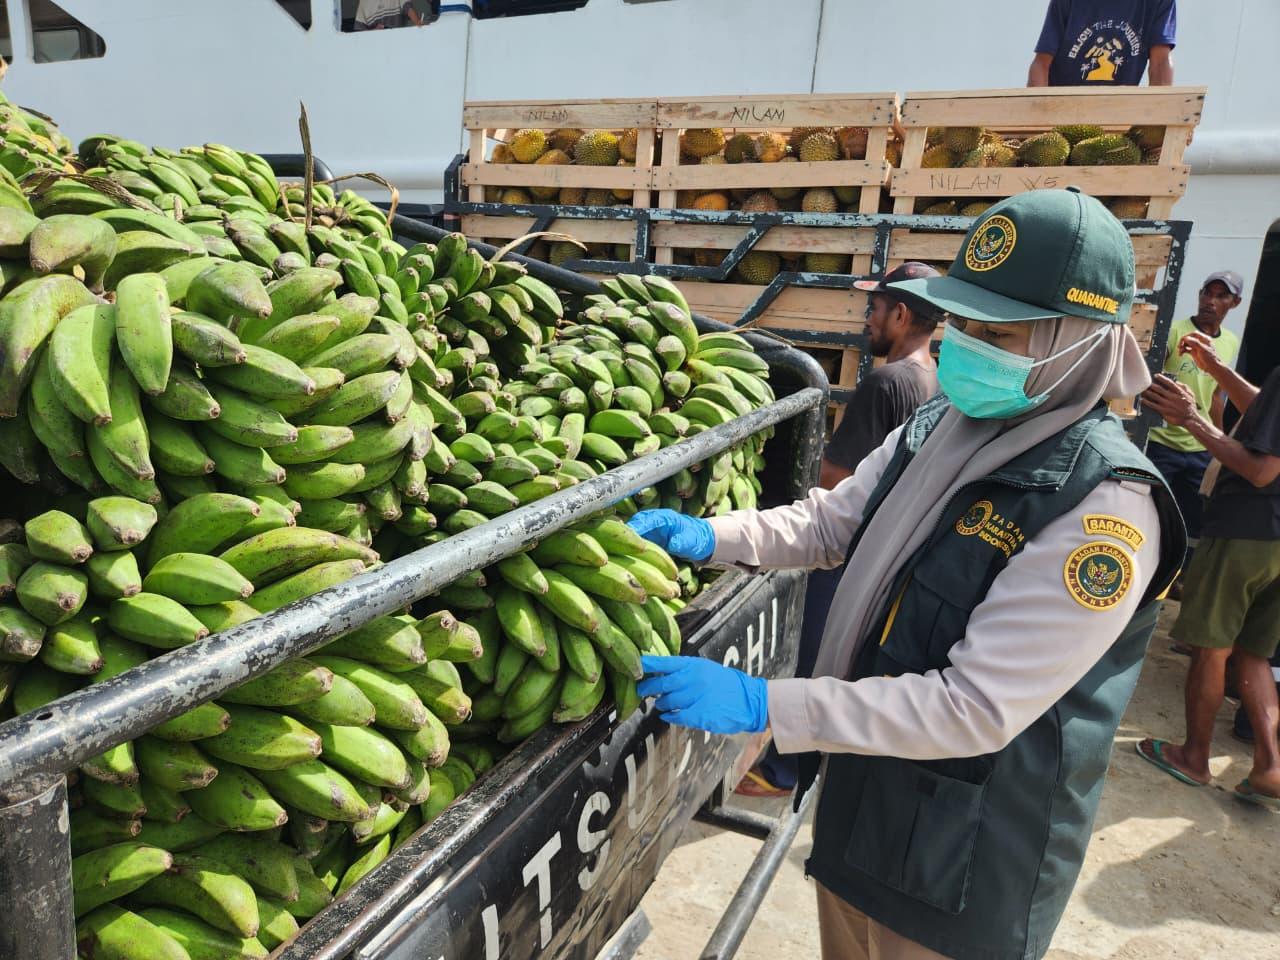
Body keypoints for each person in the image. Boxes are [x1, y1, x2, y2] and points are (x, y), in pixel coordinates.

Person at [628, 189, 1185, 960]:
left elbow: (971, 708)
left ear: (1078, 342)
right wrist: (706, 536)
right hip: (864, 809)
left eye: (1000, 333)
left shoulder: (1104, 507)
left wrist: (767, 703)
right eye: (963, 323)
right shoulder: (939, 426)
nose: (967, 346)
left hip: (966, 865)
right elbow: (831, 522)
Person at [741, 262, 941, 798]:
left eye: (874, 310)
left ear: (900, 314)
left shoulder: (885, 382)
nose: (867, 320)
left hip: (847, 548)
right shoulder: (932, 379)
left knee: (815, 658)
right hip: (883, 547)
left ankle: (785, 771)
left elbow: (835, 478)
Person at [1137, 336, 1280, 810]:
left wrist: (1190, 419)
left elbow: (1262, 471)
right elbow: (1267, 411)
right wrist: (1217, 369)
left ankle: (1194, 756)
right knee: (1253, 654)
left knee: (1211, 647)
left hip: (1246, 527)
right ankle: (1270, 763)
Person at [1145, 271, 1244, 575]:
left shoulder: (1229, 342)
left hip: (1200, 447)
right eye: (1207, 293)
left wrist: (1220, 442)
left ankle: (1173, 576)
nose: (1210, 302)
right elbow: (1148, 382)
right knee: (1152, 512)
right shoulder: (1174, 332)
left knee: (1190, 518)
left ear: (1235, 303)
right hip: (1163, 443)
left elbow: (1216, 395)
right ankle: (1146, 575)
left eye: (1221, 296)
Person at [1028, 1, 1176, 86]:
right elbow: (1042, 64)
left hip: (1119, 114)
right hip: (1061, 113)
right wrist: (1037, 123)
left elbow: (1160, 63)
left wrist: (1166, 119)